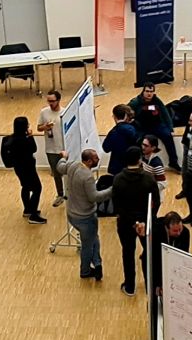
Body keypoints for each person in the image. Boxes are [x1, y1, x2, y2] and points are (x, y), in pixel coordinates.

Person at [112, 152, 158, 296]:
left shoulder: (118, 179)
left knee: (128, 252)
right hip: (146, 223)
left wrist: (133, 222)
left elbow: (117, 206)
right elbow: (155, 202)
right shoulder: (149, 178)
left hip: (125, 224)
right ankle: (151, 284)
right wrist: (145, 221)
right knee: (150, 252)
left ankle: (130, 286)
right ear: (139, 160)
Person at [65, 149, 105, 281]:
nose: (98, 159)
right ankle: (85, 271)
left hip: (72, 213)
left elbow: (59, 167)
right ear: (88, 161)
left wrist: (63, 157)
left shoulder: (73, 165)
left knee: (94, 239)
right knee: (88, 245)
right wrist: (112, 190)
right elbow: (94, 197)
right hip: (85, 217)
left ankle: (97, 264)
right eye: (95, 158)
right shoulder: (87, 176)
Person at [4, 115, 45, 223]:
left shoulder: (7, 139)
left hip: (18, 168)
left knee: (25, 187)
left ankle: (27, 209)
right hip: (29, 168)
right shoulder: (25, 140)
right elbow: (34, 149)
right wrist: (31, 136)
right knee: (37, 188)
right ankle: (33, 215)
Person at [135, 85, 178, 167]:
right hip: (143, 127)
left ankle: (173, 162)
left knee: (168, 136)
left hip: (157, 125)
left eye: (151, 91)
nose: (149, 93)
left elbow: (165, 114)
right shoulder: (136, 101)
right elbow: (128, 110)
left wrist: (170, 128)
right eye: (147, 91)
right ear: (143, 92)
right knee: (138, 139)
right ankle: (140, 162)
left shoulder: (157, 101)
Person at [37, 89, 67, 206]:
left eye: (52, 101)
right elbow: (39, 128)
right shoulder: (44, 112)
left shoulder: (65, 112)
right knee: (56, 174)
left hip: (65, 149)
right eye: (48, 101)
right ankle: (60, 195)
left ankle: (70, 194)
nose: (50, 103)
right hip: (51, 149)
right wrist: (46, 127)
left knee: (69, 173)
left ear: (58, 100)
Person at [103, 103, 142, 174]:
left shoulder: (113, 132)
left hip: (117, 169)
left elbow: (106, 148)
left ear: (114, 117)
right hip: (133, 167)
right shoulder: (134, 128)